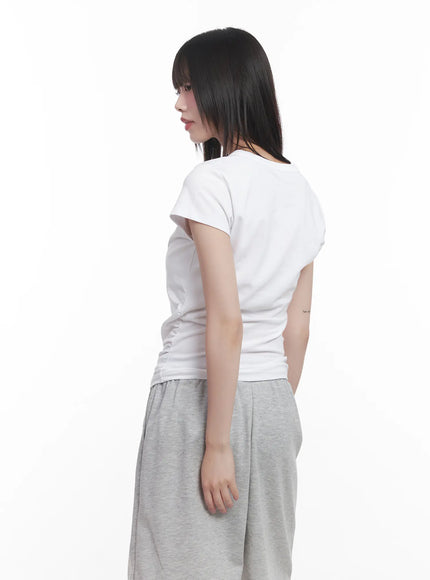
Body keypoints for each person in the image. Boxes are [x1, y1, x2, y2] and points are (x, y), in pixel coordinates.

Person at [128, 27, 326, 580]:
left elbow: (225, 318)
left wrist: (218, 442)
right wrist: (270, 413)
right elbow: (297, 328)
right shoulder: (303, 192)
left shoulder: (211, 182)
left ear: (226, 86)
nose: (179, 103)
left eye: (189, 87)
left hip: (198, 398)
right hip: (275, 403)